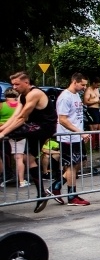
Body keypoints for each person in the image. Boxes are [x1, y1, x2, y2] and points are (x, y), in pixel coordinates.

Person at [0, 72, 58, 212]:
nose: (14, 87)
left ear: (26, 82)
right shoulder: (21, 97)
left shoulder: (34, 93)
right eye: (13, 84)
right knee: (29, 159)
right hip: (33, 127)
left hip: (44, 126)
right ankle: (41, 194)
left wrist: (3, 133)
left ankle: (7, 170)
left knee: (13, 132)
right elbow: (15, 116)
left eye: (17, 84)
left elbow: (22, 118)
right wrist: (2, 128)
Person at [55, 73, 91, 206]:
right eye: (82, 84)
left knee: (81, 162)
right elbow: (62, 119)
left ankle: (56, 185)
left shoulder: (76, 95)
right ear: (74, 82)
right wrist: (79, 132)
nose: (84, 87)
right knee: (70, 165)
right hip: (67, 136)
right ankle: (72, 196)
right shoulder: (65, 97)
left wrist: (81, 133)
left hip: (76, 136)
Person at [0, 89, 28, 187]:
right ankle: (21, 181)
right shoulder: (20, 105)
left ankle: (4, 178)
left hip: (3, 133)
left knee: (3, 156)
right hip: (18, 132)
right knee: (19, 157)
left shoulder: (2, 105)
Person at [83, 77, 100, 148]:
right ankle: (93, 145)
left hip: (97, 109)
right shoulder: (88, 90)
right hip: (91, 110)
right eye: (97, 85)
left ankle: (99, 144)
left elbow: (97, 99)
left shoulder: (97, 89)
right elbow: (85, 102)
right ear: (93, 83)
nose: (98, 87)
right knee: (94, 128)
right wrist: (96, 101)